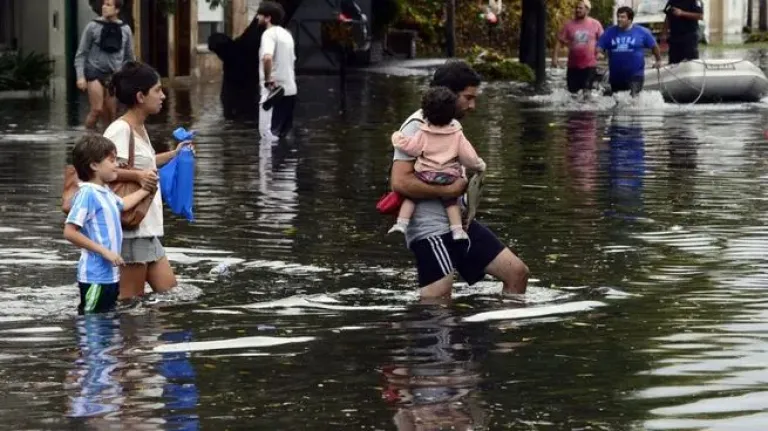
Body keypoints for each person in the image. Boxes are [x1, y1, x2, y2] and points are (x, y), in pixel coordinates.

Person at [390, 60, 529, 300]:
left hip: (459, 225)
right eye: (468, 97)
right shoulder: (416, 126)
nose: (473, 105)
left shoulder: (452, 125)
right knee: (438, 302)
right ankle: (430, 335)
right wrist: (451, 189)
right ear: (448, 94)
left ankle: (504, 335)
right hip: (431, 230)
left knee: (517, 273)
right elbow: (400, 182)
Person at [103, 61, 192, 300]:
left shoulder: (139, 128)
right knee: (130, 301)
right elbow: (103, 172)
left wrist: (175, 154)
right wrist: (138, 176)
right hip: (132, 230)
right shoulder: (119, 130)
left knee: (171, 294)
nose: (163, 96)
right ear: (141, 96)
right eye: (157, 90)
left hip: (147, 227)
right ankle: (128, 337)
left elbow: (146, 162)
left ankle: (149, 337)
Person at [63, 135, 154, 314]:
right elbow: (70, 232)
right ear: (94, 165)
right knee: (92, 323)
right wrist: (105, 251)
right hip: (95, 277)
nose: (117, 165)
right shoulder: (87, 194)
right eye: (112, 160)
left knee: (106, 322)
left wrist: (146, 190)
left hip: (109, 276)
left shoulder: (104, 192)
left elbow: (124, 204)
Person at [389, 86, 487, 241]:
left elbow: (412, 148)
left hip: (425, 175)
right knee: (451, 203)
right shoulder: (456, 133)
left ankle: (401, 223)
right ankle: (457, 230)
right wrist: (480, 166)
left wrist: (398, 138)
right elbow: (469, 157)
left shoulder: (422, 131)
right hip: (448, 177)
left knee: (411, 198)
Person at [74, 0, 135, 130]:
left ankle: (105, 143)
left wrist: (129, 77)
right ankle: (87, 138)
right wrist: (80, 76)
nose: (104, 7)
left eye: (108, 5)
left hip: (113, 75)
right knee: (97, 109)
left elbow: (130, 57)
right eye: (103, 4)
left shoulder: (125, 29)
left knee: (111, 114)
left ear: (117, 9)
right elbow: (81, 54)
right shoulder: (92, 26)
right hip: (95, 72)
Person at [598, 7, 662, 97]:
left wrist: (658, 60)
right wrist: (599, 53)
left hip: (635, 75)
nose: (619, 19)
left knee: (633, 100)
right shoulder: (609, 32)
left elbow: (654, 46)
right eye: (618, 17)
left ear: (630, 19)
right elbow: (600, 46)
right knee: (619, 101)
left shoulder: (642, 32)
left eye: (623, 17)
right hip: (616, 75)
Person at [257, 1, 297, 140]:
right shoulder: (287, 35)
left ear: (268, 18)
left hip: (274, 93)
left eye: (260, 15)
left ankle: (269, 162)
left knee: (268, 137)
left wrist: (268, 80)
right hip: (290, 91)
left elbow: (267, 58)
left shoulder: (268, 34)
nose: (257, 18)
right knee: (284, 138)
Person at [551, 0, 604, 95]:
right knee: (573, 95)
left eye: (580, 8)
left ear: (587, 10)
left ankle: (588, 109)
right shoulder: (568, 25)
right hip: (573, 66)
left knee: (586, 92)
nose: (577, 10)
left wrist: (600, 51)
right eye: (576, 8)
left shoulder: (595, 24)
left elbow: (603, 40)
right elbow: (559, 41)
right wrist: (555, 58)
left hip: (589, 66)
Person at [662, 0, 703, 64]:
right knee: (673, 61)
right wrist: (664, 33)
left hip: (689, 37)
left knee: (690, 61)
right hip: (674, 36)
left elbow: (700, 16)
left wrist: (682, 13)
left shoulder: (695, 1)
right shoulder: (672, 1)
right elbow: (667, 17)